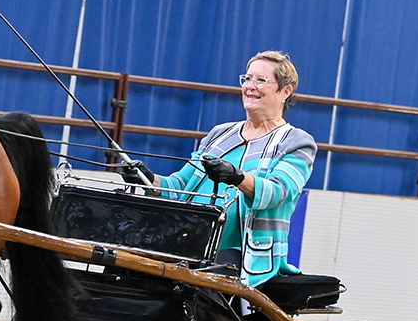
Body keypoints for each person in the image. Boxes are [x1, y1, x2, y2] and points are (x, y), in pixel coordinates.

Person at [122, 50, 317, 288]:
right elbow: (181, 187)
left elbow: (278, 192)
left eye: (261, 80)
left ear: (285, 92)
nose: (250, 86)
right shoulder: (220, 134)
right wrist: (148, 180)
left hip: (244, 255)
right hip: (189, 243)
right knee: (127, 262)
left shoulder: (296, 142)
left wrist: (237, 177)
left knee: (197, 281)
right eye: (247, 78)